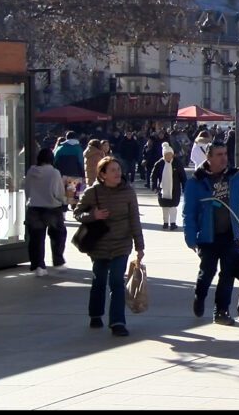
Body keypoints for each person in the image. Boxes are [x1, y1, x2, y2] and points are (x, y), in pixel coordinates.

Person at [183, 142, 239, 326]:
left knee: (228, 273)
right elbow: (189, 212)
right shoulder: (196, 181)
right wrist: (190, 237)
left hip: (230, 234)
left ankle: (221, 311)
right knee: (207, 272)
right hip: (208, 236)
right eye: (218, 154)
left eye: (225, 153)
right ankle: (199, 295)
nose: (224, 158)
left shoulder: (236, 177)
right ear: (208, 158)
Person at [73, 157, 144, 337]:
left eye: (118, 169)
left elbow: (134, 219)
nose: (117, 173)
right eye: (112, 170)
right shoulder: (93, 192)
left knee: (116, 281)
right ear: (102, 174)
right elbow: (77, 213)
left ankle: (117, 322)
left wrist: (139, 245)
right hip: (99, 244)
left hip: (122, 243)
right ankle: (96, 314)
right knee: (99, 280)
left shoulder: (128, 192)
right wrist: (93, 215)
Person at [24, 148, 73, 276]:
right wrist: (66, 199)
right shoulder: (54, 173)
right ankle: (58, 261)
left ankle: (38, 266)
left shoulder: (31, 171)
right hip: (52, 208)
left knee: (36, 239)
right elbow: (58, 193)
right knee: (58, 235)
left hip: (34, 207)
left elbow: (27, 190)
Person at [151, 142, 187, 231]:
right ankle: (165, 222)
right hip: (163, 189)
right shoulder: (159, 164)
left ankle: (173, 223)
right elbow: (154, 176)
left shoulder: (177, 163)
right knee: (165, 206)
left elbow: (183, 176)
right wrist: (154, 186)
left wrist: (185, 187)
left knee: (173, 206)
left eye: (170, 154)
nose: (168, 156)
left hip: (175, 189)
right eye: (166, 155)